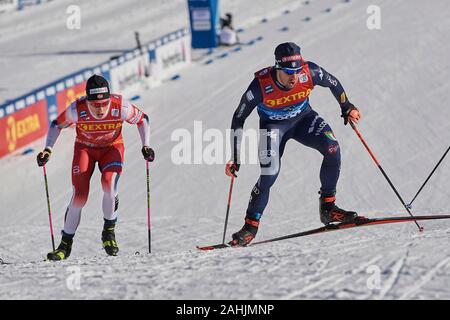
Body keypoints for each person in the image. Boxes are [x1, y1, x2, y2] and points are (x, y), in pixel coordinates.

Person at [226, 42, 361, 246]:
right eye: (289, 72)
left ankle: (328, 209)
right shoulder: (260, 86)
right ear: (278, 68)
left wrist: (346, 106)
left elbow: (333, 82)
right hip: (273, 127)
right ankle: (250, 227)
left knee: (332, 148)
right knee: (269, 173)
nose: (294, 77)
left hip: (303, 120)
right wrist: (235, 156)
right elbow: (238, 118)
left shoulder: (310, 72)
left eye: (297, 71)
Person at [36, 75, 155, 261]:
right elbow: (56, 125)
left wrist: (146, 145)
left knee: (109, 184)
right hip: (85, 149)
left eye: (103, 104)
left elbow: (143, 119)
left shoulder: (120, 106)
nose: (99, 109)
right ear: (87, 101)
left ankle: (108, 233)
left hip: (112, 148)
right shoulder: (77, 109)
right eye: (95, 105)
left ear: (109, 98)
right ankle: (65, 245)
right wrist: (48, 149)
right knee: (80, 196)